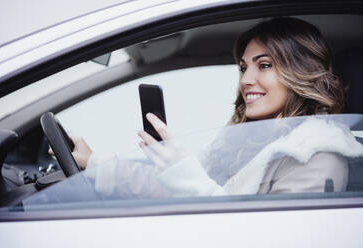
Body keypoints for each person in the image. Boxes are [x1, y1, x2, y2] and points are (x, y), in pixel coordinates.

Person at [57, 17, 363, 197]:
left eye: (264, 65)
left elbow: (258, 236)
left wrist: (189, 177)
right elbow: (171, 191)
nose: (246, 80)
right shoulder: (248, 140)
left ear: (300, 74)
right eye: (244, 68)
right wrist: (96, 162)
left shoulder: (317, 157)